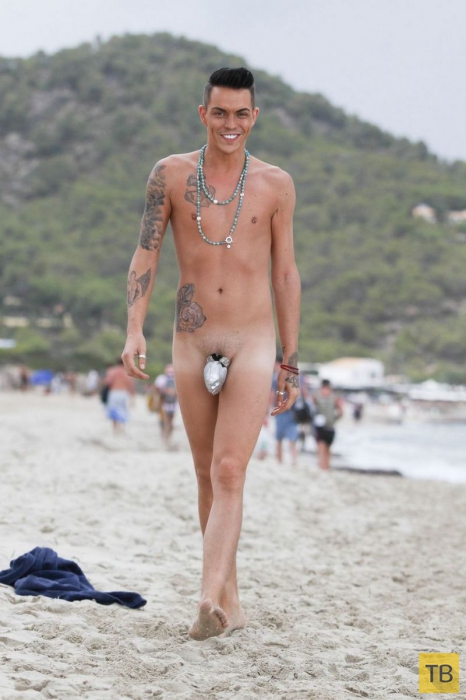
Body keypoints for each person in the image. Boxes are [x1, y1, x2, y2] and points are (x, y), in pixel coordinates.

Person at [121, 67, 301, 640]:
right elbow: (146, 253)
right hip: (191, 339)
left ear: (254, 117)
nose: (230, 123)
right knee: (204, 472)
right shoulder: (170, 175)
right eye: (220, 112)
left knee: (229, 470)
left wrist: (291, 359)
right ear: (204, 114)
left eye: (241, 114)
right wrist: (134, 330)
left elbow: (285, 273)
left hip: (252, 341)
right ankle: (230, 601)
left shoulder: (276, 184)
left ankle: (206, 596)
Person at [313, 379, 343, 470]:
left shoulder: (334, 398)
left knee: (327, 448)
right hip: (320, 427)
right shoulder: (316, 397)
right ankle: (322, 466)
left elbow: (341, 412)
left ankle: (326, 466)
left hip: (330, 426)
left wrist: (335, 419)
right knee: (321, 446)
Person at [104, 359, 135, 433]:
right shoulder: (127, 372)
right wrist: (132, 396)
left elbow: (108, 382)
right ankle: (121, 427)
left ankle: (115, 428)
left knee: (114, 410)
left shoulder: (112, 371)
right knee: (123, 410)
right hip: (123, 393)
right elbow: (130, 384)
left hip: (114, 392)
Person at [154, 364, 178, 447]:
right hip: (172, 403)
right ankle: (167, 437)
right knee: (169, 420)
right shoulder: (176, 379)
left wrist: (156, 403)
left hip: (164, 403)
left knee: (165, 420)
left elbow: (156, 391)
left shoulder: (161, 379)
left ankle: (165, 436)